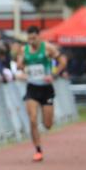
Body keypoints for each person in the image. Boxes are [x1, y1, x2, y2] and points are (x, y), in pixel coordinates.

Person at [16, 25, 66, 162]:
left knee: (47, 124)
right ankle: (38, 150)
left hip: (46, 88)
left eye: (34, 38)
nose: (31, 41)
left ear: (39, 36)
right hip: (32, 87)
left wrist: (54, 74)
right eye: (29, 39)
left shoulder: (48, 48)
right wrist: (20, 68)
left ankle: (47, 120)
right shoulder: (23, 49)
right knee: (32, 120)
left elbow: (63, 61)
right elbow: (20, 65)